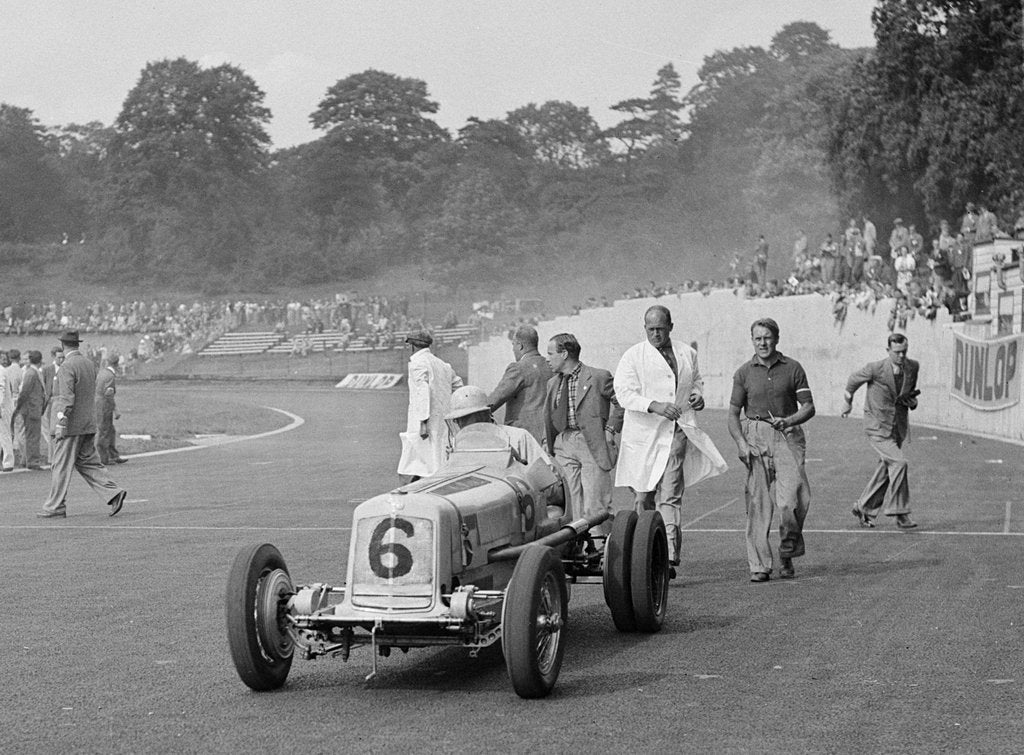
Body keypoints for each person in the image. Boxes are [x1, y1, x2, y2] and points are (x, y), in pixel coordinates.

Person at [613, 306, 727, 569]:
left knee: (671, 494)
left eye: (660, 329)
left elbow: (695, 381)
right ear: (644, 328)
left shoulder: (687, 353)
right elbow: (624, 393)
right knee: (643, 496)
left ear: (670, 327)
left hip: (677, 431)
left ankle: (669, 553)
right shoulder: (633, 356)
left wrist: (697, 396)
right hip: (644, 435)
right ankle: (643, 551)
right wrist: (655, 405)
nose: (655, 334)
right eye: (650, 329)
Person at [727, 318, 815, 582]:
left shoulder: (793, 368)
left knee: (794, 500)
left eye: (767, 338)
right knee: (758, 503)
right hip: (755, 436)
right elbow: (732, 414)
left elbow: (809, 407)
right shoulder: (743, 372)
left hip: (787, 434)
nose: (762, 343)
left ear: (776, 339)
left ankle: (787, 550)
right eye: (757, 338)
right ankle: (759, 565)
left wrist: (789, 421)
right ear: (752, 340)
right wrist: (742, 444)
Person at [37, 331, 127, 519]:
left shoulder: (66, 366)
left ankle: (55, 506)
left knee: (60, 465)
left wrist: (61, 423)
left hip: (71, 427)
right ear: (77, 344)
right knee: (89, 463)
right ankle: (113, 493)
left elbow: (66, 398)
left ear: (63, 346)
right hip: (88, 423)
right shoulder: (89, 364)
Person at [544, 333, 622, 532]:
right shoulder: (552, 383)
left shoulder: (598, 377)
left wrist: (610, 430)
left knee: (596, 505)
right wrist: (549, 442)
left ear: (564, 354)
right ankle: (578, 552)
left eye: (550, 353)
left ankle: (602, 553)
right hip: (563, 444)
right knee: (572, 507)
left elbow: (622, 403)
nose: (547, 358)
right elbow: (550, 415)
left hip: (592, 443)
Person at [843, 333, 919, 530]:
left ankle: (864, 508)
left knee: (887, 468)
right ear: (888, 351)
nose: (901, 356)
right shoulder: (875, 369)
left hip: (897, 427)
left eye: (904, 352)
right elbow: (852, 381)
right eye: (897, 352)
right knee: (899, 463)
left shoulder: (913, 367)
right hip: (877, 426)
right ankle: (900, 513)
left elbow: (908, 393)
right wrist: (847, 402)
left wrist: (912, 401)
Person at [396, 330, 464, 483]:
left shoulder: (417, 363)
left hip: (424, 423)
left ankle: (412, 496)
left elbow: (422, 391)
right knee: (436, 459)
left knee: (411, 465)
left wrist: (423, 422)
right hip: (443, 422)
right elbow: (459, 386)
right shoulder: (443, 365)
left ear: (412, 346)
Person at [487, 324, 553, 444]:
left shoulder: (518, 368)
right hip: (550, 435)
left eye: (513, 345)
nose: (513, 349)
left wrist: (473, 413)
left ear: (520, 345)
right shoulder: (550, 366)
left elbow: (494, 400)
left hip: (525, 437)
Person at [14, 350, 46, 470]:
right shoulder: (32, 373)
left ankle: (30, 459)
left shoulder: (32, 372)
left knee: (32, 435)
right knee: (32, 435)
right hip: (31, 408)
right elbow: (25, 392)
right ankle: (32, 461)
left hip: (32, 408)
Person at [95, 353, 127, 465]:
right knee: (104, 430)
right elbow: (108, 394)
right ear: (117, 365)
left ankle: (113, 455)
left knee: (110, 430)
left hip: (100, 403)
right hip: (104, 405)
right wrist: (115, 409)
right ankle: (104, 458)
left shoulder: (103, 372)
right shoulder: (110, 376)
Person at [41, 346, 63, 464]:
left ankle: (61, 456)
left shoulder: (66, 368)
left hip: (62, 402)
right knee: (51, 431)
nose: (62, 360)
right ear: (54, 357)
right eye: (59, 357)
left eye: (63, 357)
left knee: (61, 431)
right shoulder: (47, 369)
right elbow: (44, 388)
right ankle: (52, 457)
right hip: (51, 403)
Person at [1, 349, 20, 471]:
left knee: (4, 434)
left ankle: (8, 462)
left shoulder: (1, 371)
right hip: (4, 406)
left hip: (3, 408)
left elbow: (0, 390)